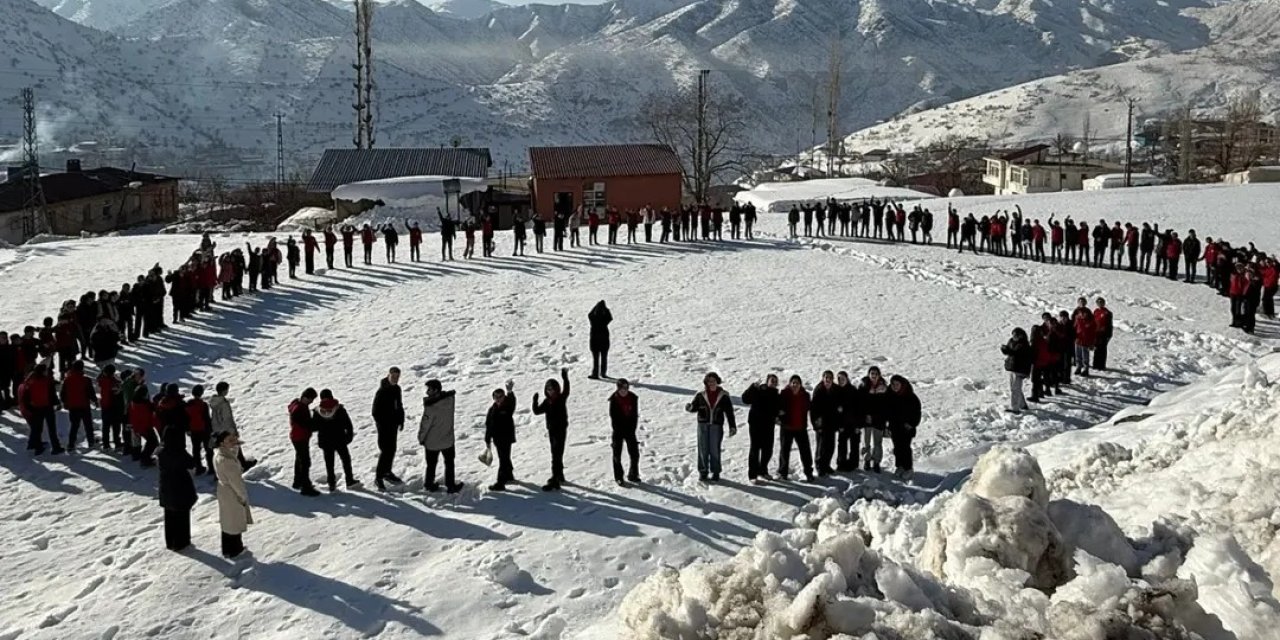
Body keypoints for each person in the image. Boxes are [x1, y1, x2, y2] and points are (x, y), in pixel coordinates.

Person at [685, 372, 736, 483]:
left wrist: (732, 426)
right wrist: (689, 408)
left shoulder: (724, 395)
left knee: (714, 450)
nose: (712, 383)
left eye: (713, 381)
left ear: (717, 381)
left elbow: (729, 412)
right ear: (706, 383)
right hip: (703, 425)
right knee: (703, 449)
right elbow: (694, 407)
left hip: (716, 426)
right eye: (709, 381)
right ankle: (703, 472)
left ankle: (716, 472)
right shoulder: (700, 394)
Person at [418, 379, 463, 493]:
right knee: (449, 463)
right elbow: (448, 394)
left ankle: (429, 484)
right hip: (448, 440)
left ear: (435, 390)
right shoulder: (450, 400)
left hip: (432, 443)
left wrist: (421, 438)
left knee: (431, 465)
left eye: (429, 389)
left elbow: (425, 426)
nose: (427, 392)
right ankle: (450, 485)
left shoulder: (431, 408)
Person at [158, 425, 197, 552]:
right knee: (182, 516)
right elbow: (191, 463)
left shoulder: (161, 451)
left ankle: (170, 542)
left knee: (169, 516)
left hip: (166, 486)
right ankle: (182, 542)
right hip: (180, 487)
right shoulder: (179, 451)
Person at [213, 431, 252, 559]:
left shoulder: (220, 453)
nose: (233, 442)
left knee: (227, 520)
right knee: (234, 520)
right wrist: (242, 496)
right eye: (229, 440)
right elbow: (236, 482)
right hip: (231, 492)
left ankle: (228, 549)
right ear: (222, 442)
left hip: (224, 490)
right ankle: (236, 550)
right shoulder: (227, 461)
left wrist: (234, 446)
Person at [532, 368, 571, 491]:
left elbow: (567, 390)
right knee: (556, 454)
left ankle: (555, 479)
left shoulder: (561, 398)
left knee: (556, 454)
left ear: (556, 389)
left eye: (552, 389)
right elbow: (537, 411)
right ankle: (559, 476)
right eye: (548, 389)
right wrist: (534, 401)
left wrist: (565, 378)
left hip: (560, 429)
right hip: (552, 430)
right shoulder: (547, 401)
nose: (550, 391)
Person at [314, 389, 359, 492]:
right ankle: (349, 480)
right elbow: (348, 424)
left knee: (329, 463)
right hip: (340, 439)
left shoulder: (318, 411)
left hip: (326, 441)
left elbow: (314, 427)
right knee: (346, 460)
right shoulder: (339, 409)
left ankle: (332, 484)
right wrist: (349, 437)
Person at [741, 375, 781, 482]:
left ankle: (763, 471)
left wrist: (779, 416)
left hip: (769, 425)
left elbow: (778, 409)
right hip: (755, 424)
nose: (773, 382)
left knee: (767, 450)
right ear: (767, 381)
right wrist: (752, 387)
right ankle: (752, 475)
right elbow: (745, 399)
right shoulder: (758, 390)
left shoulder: (776, 395)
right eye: (772, 380)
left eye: (775, 381)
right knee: (755, 449)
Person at [372, 367, 406, 491]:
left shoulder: (397, 389)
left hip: (393, 425)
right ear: (388, 375)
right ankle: (378, 477)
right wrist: (382, 424)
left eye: (397, 377)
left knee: (392, 449)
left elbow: (399, 405)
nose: (395, 379)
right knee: (385, 450)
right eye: (393, 376)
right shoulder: (382, 391)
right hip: (384, 426)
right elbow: (375, 411)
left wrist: (401, 420)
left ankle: (387, 472)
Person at [776, 374, 814, 482]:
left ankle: (808, 473)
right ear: (790, 383)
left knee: (805, 451)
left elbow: (809, 407)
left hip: (800, 428)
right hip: (787, 427)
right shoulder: (784, 394)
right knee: (784, 451)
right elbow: (778, 407)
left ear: (800, 385)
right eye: (793, 383)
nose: (795, 385)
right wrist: (779, 417)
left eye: (797, 383)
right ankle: (783, 473)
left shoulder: (805, 395)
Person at [209, 382, 255, 470]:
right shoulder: (223, 403)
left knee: (225, 449)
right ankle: (241, 464)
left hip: (218, 429)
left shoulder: (214, 402)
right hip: (226, 430)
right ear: (223, 391)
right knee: (234, 446)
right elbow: (227, 419)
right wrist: (233, 431)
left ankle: (237, 464)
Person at [20, 364, 61, 455]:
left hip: (36, 408)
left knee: (37, 428)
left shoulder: (30, 381)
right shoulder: (47, 381)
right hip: (47, 407)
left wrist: (29, 407)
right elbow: (52, 394)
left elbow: (25, 396)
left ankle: (38, 448)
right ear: (43, 371)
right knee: (52, 428)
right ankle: (56, 447)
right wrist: (57, 403)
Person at [885, 375, 920, 481]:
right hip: (894, 427)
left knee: (905, 447)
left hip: (906, 428)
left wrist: (911, 424)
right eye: (893, 384)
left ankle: (908, 468)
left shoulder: (911, 397)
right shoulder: (889, 395)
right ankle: (899, 466)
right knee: (897, 448)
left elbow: (917, 413)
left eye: (897, 384)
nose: (895, 387)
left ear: (902, 385)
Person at [484, 380, 517, 491]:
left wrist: (510, 391)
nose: (498, 399)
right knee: (504, 457)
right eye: (496, 397)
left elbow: (512, 402)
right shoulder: (492, 409)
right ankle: (509, 475)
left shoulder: (507, 406)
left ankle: (500, 482)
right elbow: (488, 425)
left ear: (504, 397)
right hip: (497, 439)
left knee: (503, 459)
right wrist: (487, 439)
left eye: (500, 396)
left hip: (506, 438)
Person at [608, 378, 641, 485]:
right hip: (618, 430)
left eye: (626, 388)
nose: (624, 390)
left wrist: (632, 428)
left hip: (630, 430)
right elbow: (613, 417)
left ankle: (633, 474)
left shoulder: (633, 398)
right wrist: (618, 429)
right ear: (618, 389)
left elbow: (635, 415)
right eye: (622, 388)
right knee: (617, 455)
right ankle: (619, 477)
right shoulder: (614, 399)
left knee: (634, 454)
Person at [288, 388, 320, 496]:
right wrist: (316, 422)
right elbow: (305, 424)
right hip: (300, 438)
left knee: (300, 459)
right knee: (305, 462)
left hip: (297, 437)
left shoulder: (297, 405)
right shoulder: (299, 409)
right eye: (311, 399)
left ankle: (298, 482)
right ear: (305, 397)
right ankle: (306, 487)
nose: (311, 402)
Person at [60, 360, 97, 452]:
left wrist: (65, 402)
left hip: (73, 406)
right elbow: (90, 392)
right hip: (84, 405)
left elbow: (62, 394)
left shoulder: (67, 380)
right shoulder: (86, 380)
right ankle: (91, 442)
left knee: (74, 426)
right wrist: (95, 401)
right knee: (88, 425)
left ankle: (71, 444)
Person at [809, 370, 840, 476]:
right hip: (821, 423)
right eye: (826, 377)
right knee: (821, 446)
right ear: (823, 378)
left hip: (831, 422)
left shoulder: (835, 389)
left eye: (830, 378)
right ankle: (819, 466)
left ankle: (826, 465)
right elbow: (813, 409)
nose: (828, 380)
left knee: (830, 446)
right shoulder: (818, 390)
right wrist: (816, 424)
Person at [859, 367, 889, 472]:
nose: (874, 376)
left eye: (876, 373)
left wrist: (886, 419)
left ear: (879, 375)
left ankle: (876, 462)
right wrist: (864, 415)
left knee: (878, 443)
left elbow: (887, 405)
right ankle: (866, 460)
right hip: (867, 419)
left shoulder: (884, 388)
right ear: (868, 374)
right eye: (872, 373)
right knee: (866, 442)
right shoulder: (863, 386)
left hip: (879, 419)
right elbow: (859, 403)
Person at [1002, 328, 1032, 413]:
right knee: (1015, 388)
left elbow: (1017, 354)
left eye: (1016, 335)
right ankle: (1022, 405)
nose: (1014, 336)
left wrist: (1008, 351)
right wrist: (1005, 350)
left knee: (1015, 389)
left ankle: (1015, 408)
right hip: (1012, 367)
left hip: (1020, 369)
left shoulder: (1024, 344)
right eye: (1013, 335)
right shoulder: (1011, 341)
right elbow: (1010, 352)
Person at [185, 384, 213, 474]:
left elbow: (186, 418)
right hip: (204, 430)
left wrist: (187, 429)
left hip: (193, 430)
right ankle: (211, 468)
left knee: (196, 449)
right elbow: (207, 418)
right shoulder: (203, 404)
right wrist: (211, 430)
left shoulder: (188, 404)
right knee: (208, 449)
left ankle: (198, 467)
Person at [588, 301, 612, 380]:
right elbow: (610, 317)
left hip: (595, 342)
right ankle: (603, 373)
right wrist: (605, 308)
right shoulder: (605, 320)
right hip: (604, 342)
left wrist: (596, 305)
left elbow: (589, 314)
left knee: (596, 359)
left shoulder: (593, 319)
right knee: (604, 358)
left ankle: (595, 374)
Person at [1072, 302, 1096, 377]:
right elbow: (1074, 328)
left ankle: (1086, 369)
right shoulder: (1077, 320)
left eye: (1084, 313)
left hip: (1086, 340)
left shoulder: (1091, 322)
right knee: (1077, 355)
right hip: (1078, 340)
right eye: (1080, 313)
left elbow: (1093, 332)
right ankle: (1079, 367)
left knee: (1085, 355)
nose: (1082, 315)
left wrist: (1092, 342)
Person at [1092, 298, 1114, 371]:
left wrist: (1109, 334)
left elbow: (1110, 325)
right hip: (1096, 333)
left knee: (1102, 349)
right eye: (1098, 302)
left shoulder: (1107, 312)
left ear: (1104, 303)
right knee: (1096, 349)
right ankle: (1095, 365)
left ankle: (1101, 365)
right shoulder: (1095, 311)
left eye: (1101, 302)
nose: (1100, 303)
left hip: (1104, 334)